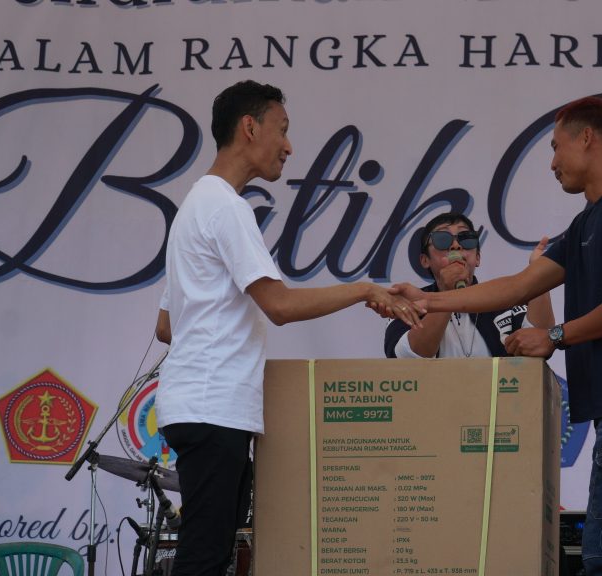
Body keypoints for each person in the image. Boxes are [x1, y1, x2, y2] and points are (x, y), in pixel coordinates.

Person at [391, 96, 602, 576]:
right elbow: (517, 286)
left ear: (587, 138)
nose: (552, 163)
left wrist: (554, 334)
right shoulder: (587, 222)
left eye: (555, 147)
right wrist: (428, 301)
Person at [153, 80, 421, 576]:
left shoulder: (195, 204)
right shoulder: (226, 207)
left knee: (210, 554)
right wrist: (364, 290)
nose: (290, 146)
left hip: (198, 404)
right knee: (204, 559)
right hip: (213, 408)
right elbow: (278, 305)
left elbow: (167, 326)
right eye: (283, 130)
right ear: (250, 128)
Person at [384, 212, 554, 358]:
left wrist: (540, 274)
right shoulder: (411, 303)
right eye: (442, 239)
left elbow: (540, 342)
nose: (456, 245)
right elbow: (405, 357)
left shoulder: (502, 298)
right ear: (425, 260)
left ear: (477, 257)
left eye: (466, 239)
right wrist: (447, 292)